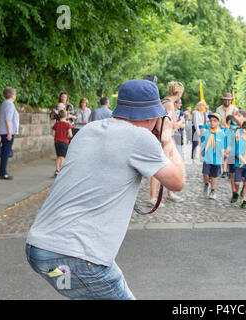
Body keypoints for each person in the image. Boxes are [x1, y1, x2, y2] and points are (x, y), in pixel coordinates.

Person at [25, 79, 185, 300]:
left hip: (41, 253)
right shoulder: (140, 138)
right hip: (75, 258)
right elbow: (177, 181)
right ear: (151, 116)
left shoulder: (88, 131)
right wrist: (166, 139)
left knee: (86, 294)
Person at [149, 81, 185, 206]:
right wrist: (182, 121)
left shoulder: (164, 101)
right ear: (179, 93)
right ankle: (153, 197)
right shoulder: (169, 104)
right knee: (160, 167)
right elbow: (174, 126)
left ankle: (170, 193)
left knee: (171, 165)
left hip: (164, 138)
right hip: (164, 140)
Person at [200, 113, 226, 199]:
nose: (212, 123)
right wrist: (201, 152)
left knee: (214, 176)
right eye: (211, 121)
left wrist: (224, 156)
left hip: (217, 159)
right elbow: (202, 143)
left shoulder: (222, 134)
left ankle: (212, 191)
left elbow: (224, 146)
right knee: (205, 173)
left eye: (215, 121)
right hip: (207, 157)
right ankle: (206, 183)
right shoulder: (206, 132)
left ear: (219, 122)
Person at [0, 87, 19, 180]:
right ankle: (3, 173)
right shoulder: (9, 105)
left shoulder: (4, 104)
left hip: (4, 131)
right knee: (6, 153)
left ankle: (3, 172)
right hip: (7, 132)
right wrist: (10, 133)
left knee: (5, 152)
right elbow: (8, 119)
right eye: (15, 94)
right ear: (12, 95)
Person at [52, 110, 73, 177]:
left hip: (57, 142)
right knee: (63, 157)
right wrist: (66, 136)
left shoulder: (56, 124)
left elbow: (53, 134)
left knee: (58, 156)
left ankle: (57, 170)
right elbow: (70, 135)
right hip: (64, 142)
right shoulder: (68, 125)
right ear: (66, 116)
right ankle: (62, 171)